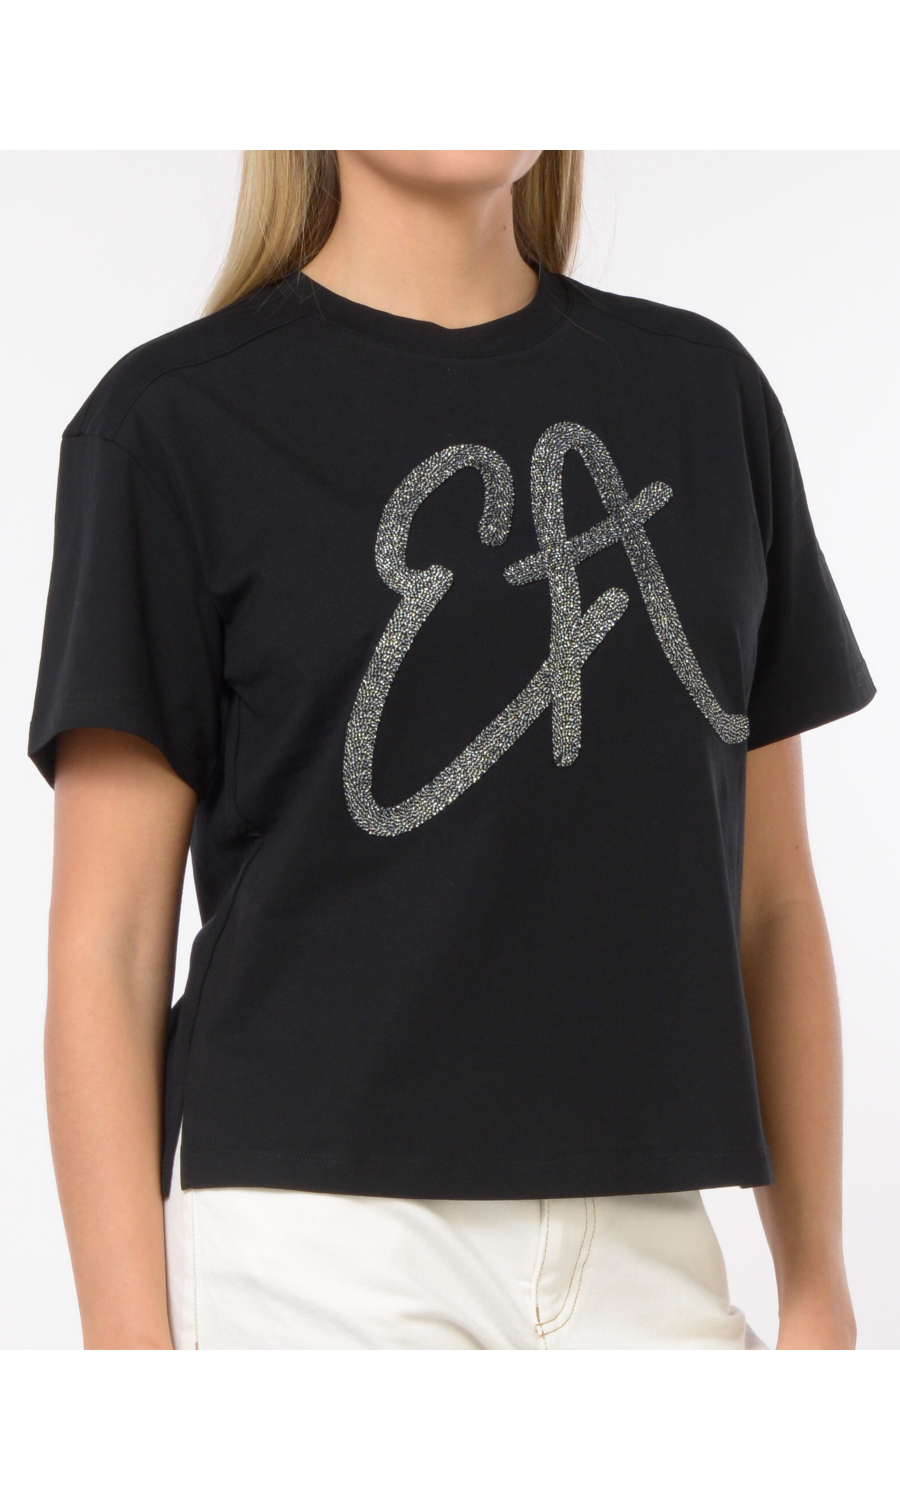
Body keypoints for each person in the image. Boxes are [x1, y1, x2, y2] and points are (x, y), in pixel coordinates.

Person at [29, 151, 875, 1350]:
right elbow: (108, 946)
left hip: (646, 1233)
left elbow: (772, 898)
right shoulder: (172, 423)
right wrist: (126, 1357)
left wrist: (817, 1281)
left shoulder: (702, 393)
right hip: (313, 1240)